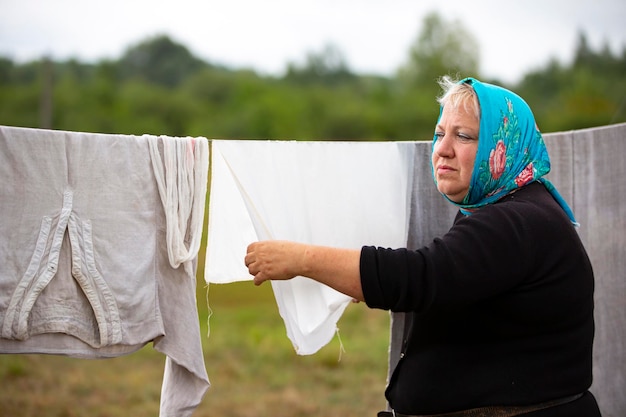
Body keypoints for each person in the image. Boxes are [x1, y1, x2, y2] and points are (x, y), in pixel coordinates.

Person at [244, 76, 601, 416]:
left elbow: (420, 278)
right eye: (439, 133)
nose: (442, 149)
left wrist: (300, 258)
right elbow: (452, 285)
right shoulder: (503, 210)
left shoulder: (515, 221)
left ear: (503, 145)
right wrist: (356, 279)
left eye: (463, 136)